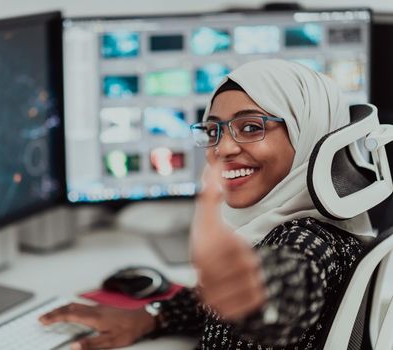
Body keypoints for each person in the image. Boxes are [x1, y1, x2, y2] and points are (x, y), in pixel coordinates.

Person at [39, 59, 373, 349]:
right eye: (213, 131)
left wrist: (249, 287)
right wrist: (153, 315)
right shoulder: (280, 224)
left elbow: (289, 287)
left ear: (308, 134)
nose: (222, 149)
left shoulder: (309, 243)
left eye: (251, 127)